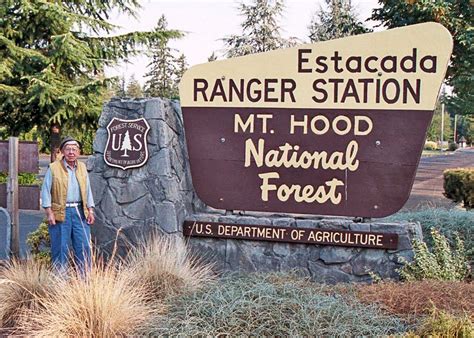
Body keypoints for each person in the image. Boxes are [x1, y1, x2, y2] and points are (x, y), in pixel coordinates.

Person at [41, 136, 95, 274]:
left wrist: (90, 210)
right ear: (62, 151)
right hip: (61, 213)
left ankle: (85, 280)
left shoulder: (82, 167)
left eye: (74, 149)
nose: (71, 152)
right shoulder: (53, 168)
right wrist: (49, 213)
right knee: (60, 248)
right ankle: (60, 282)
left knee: (83, 247)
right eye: (68, 149)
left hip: (80, 212)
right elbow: (46, 191)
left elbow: (87, 189)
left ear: (78, 152)